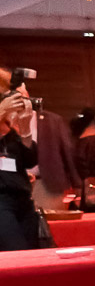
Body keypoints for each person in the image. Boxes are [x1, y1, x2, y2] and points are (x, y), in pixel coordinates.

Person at [0, 71, 43, 250]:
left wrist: (25, 125)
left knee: (31, 257)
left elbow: (30, 160)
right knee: (15, 253)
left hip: (23, 200)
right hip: (2, 203)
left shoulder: (9, 132)